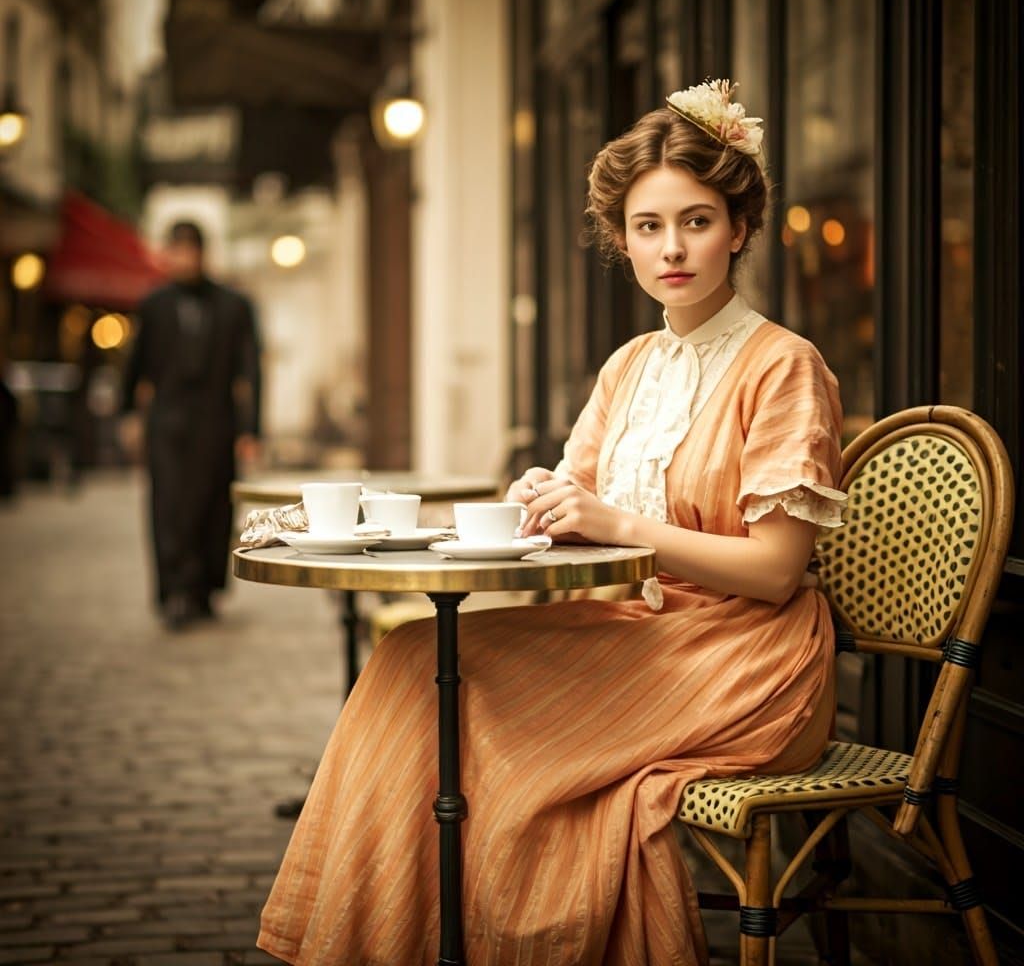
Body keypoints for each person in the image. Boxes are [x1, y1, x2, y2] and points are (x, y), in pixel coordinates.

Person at [257, 81, 846, 965]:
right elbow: (583, 500)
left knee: (460, 706)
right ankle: (372, 942)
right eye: (649, 228)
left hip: (745, 655)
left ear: (739, 228)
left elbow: (772, 570)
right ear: (623, 242)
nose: (673, 247)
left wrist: (613, 520)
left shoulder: (784, 367)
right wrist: (550, 501)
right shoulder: (629, 365)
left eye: (696, 220)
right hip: (639, 628)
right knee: (413, 660)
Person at [121, 221, 262, 629]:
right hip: (166, 422)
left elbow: (251, 369)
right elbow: (136, 363)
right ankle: (175, 591)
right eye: (176, 251)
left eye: (190, 251)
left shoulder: (235, 305)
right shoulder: (154, 304)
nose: (183, 259)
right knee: (167, 507)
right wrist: (128, 412)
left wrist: (251, 429)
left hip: (217, 422)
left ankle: (203, 590)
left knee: (212, 505)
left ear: (203, 253)